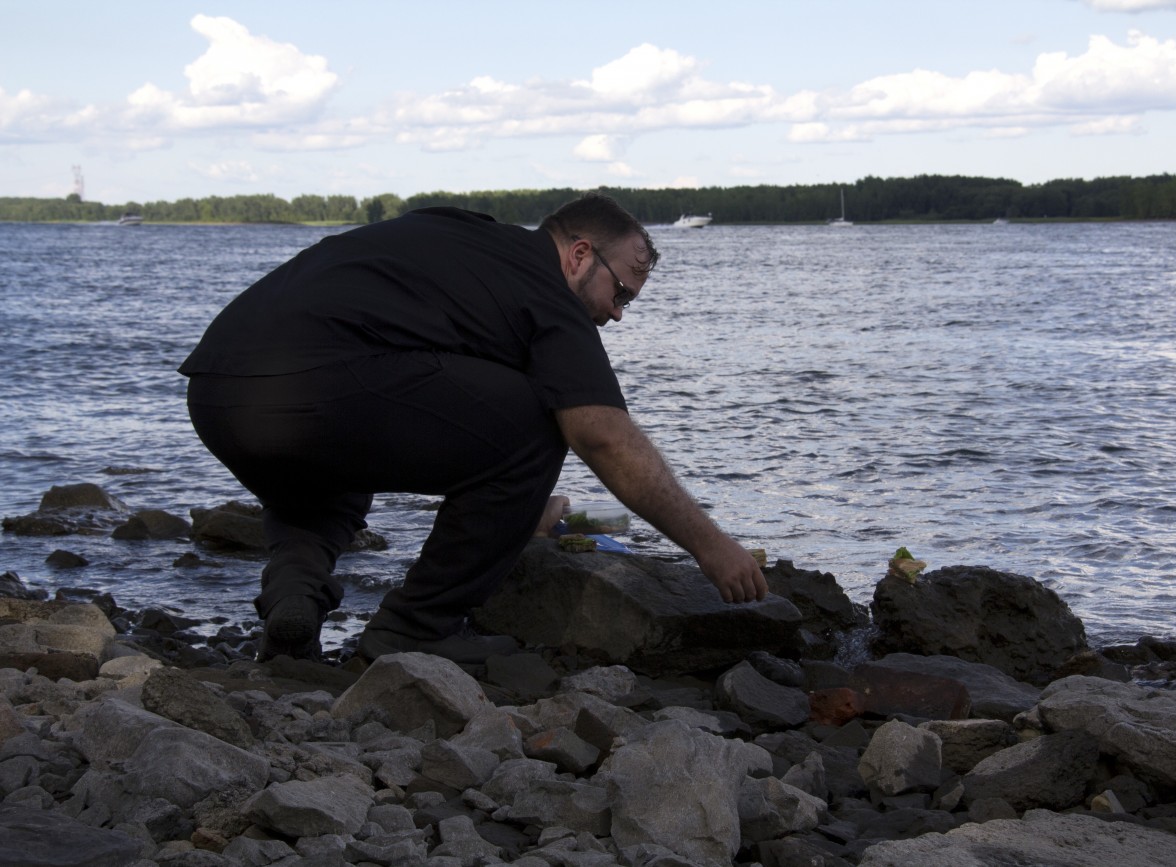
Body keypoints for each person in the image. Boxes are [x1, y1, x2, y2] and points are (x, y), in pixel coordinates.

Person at [180, 193, 767, 664]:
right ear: (580, 254)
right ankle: (416, 628)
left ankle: (293, 600)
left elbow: (447, 405)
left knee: (325, 474)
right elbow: (602, 435)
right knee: (543, 416)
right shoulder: (549, 294)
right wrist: (712, 548)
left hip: (217, 392)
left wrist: (520, 507)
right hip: (321, 386)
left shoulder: (458, 234)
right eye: (621, 294)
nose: (616, 313)